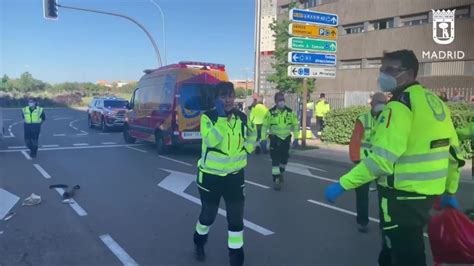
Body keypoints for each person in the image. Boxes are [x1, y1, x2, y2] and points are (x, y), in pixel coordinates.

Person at [324, 50, 464, 266]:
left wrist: (342, 184)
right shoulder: (434, 101)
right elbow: (454, 153)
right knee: (407, 250)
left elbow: (381, 160)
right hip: (426, 195)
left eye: (389, 70)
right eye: (381, 70)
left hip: (400, 197)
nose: (383, 75)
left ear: (408, 73)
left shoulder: (399, 106)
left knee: (402, 254)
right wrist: (449, 190)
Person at [193, 82, 257, 266]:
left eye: (230, 95)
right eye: (223, 95)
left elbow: (252, 134)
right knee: (208, 217)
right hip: (210, 177)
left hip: (235, 177)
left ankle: (236, 258)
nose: (228, 99)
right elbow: (212, 141)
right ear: (216, 99)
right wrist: (221, 118)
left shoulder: (242, 118)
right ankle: (199, 241)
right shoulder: (208, 118)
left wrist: (248, 148)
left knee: (236, 220)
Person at [348, 92, 387, 233]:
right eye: (379, 102)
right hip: (365, 163)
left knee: (385, 195)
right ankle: (362, 222)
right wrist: (355, 158)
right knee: (362, 194)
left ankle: (385, 222)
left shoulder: (390, 119)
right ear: (372, 104)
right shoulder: (363, 119)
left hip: (383, 164)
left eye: (384, 102)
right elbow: (356, 139)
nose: (381, 105)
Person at [262, 92, 299, 190]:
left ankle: (281, 172)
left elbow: (295, 125)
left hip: (286, 140)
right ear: (275, 101)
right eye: (279, 100)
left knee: (284, 160)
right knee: (275, 161)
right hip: (274, 140)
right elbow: (264, 126)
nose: (281, 101)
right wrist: (263, 139)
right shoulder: (270, 113)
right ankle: (276, 179)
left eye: (282, 99)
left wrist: (296, 138)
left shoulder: (290, 112)